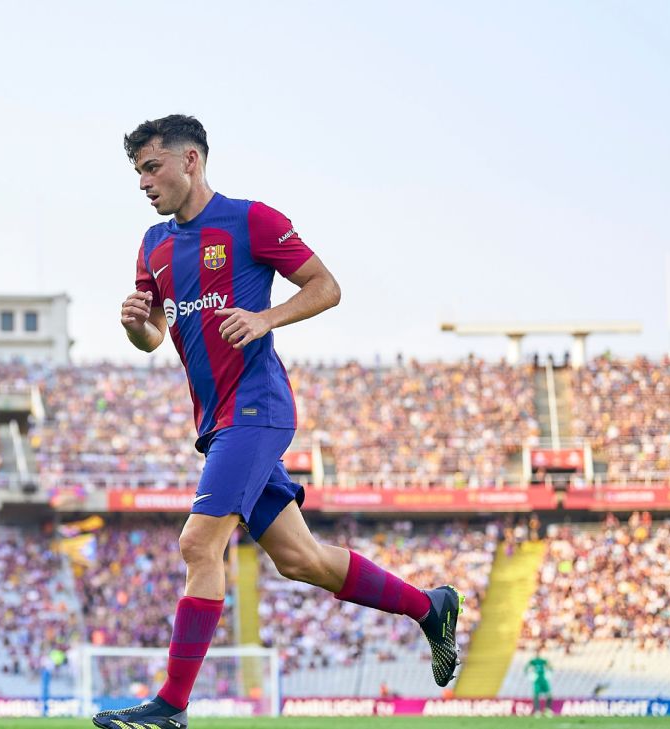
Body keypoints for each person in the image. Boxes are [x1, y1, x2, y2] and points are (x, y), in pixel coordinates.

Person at [94, 115, 463, 729]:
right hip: (217, 423)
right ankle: (431, 607)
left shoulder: (250, 219)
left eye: (151, 167)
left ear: (191, 161)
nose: (143, 183)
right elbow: (153, 337)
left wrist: (267, 319)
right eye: (137, 172)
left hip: (257, 409)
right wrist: (137, 324)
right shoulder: (153, 244)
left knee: (198, 543)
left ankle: (171, 706)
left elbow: (326, 286)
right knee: (301, 560)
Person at [526, 651, 553, 717]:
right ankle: (537, 711)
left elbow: (550, 666)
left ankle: (547, 710)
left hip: (543, 680)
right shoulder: (533, 661)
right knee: (536, 695)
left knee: (549, 695)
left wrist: (549, 672)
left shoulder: (543, 660)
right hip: (537, 681)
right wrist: (529, 674)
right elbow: (526, 668)